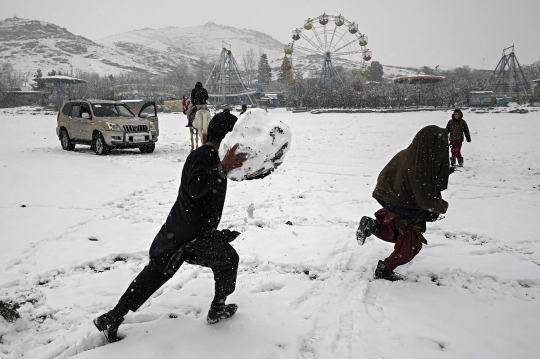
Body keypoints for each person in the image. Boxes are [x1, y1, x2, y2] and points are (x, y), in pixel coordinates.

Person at [94, 115, 254, 343]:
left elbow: (228, 177)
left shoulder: (216, 158)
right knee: (227, 260)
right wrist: (221, 168)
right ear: (229, 138)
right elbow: (195, 187)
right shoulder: (203, 156)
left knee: (157, 272)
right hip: (190, 235)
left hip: (182, 231)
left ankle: (113, 317)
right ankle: (217, 308)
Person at [356, 125, 452, 281]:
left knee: (394, 232)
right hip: (403, 205)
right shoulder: (420, 166)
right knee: (411, 246)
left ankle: (371, 225)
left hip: (391, 199)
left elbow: (390, 175)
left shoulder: (407, 154)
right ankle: (384, 269)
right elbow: (425, 199)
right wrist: (440, 208)